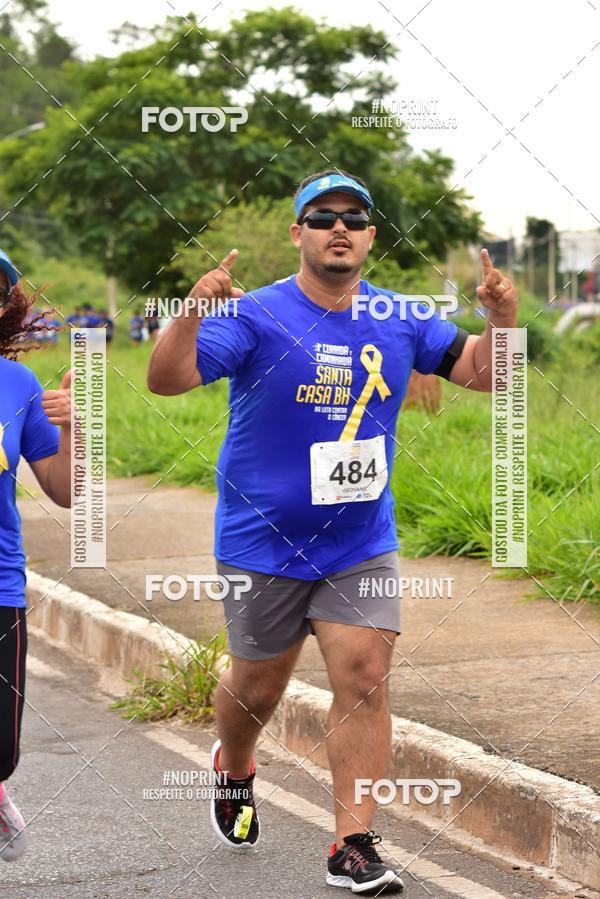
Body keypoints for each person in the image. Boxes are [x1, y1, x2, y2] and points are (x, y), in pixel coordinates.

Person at [147, 170, 518, 893]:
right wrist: (190, 312)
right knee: (258, 687)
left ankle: (353, 843)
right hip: (261, 540)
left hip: (359, 542)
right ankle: (234, 764)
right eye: (321, 217)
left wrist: (502, 320)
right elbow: (167, 378)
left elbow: (486, 374)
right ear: (298, 234)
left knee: (365, 674)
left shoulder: (400, 315)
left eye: (353, 216)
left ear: (371, 234)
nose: (338, 227)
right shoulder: (256, 313)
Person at [0, 249, 72, 862]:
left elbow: (65, 491)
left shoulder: (18, 384)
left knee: (1, 748)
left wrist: (74, 428)